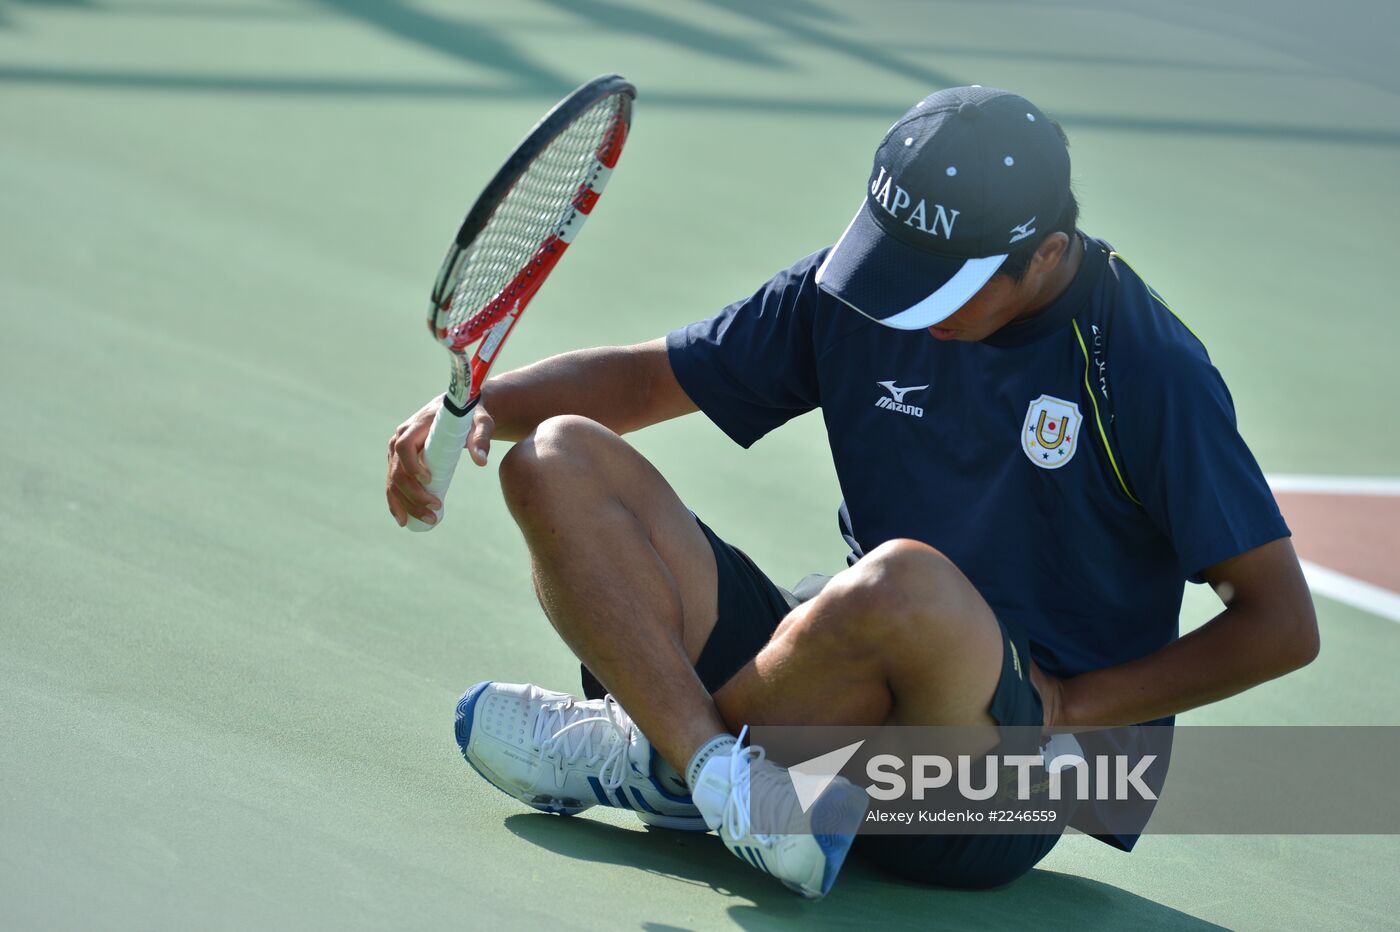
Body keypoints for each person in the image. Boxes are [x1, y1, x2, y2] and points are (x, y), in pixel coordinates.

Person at [385, 85, 1318, 898]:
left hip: (994, 780)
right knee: (554, 460)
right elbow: (643, 383)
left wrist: (1070, 712)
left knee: (901, 582)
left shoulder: (1148, 370)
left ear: (1046, 255)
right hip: (835, 690)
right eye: (898, 264)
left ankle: (657, 754)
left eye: (945, 283)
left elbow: (1280, 623)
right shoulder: (865, 288)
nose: (909, 305)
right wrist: (470, 407)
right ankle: (714, 772)